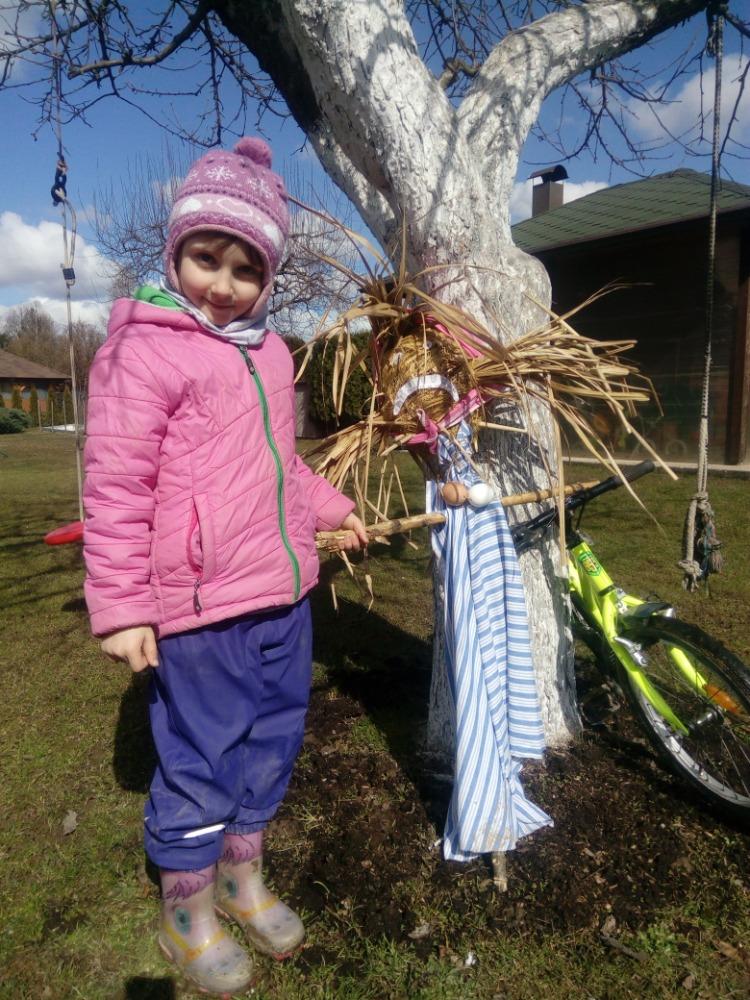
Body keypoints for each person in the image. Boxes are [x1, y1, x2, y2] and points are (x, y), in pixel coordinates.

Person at [83, 136, 367, 996]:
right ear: (176, 251)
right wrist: (124, 607)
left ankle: (243, 878)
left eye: (246, 268)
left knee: (272, 742)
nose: (223, 283)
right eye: (207, 257)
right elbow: (115, 486)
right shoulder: (144, 351)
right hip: (201, 608)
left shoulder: (272, 355)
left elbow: (283, 463)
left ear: (268, 278)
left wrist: (333, 511)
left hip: (283, 597)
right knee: (201, 756)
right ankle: (186, 909)